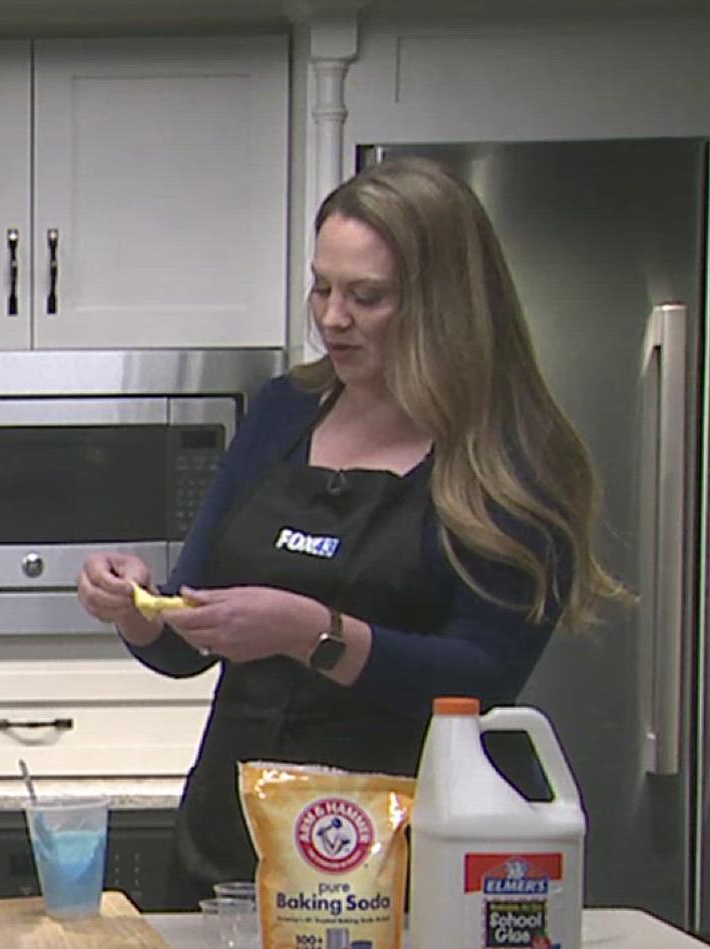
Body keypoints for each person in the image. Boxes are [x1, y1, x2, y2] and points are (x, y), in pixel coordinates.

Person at [76, 157, 625, 909]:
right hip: (233, 855)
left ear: (446, 305)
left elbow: (482, 678)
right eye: (322, 287)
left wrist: (314, 633)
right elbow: (184, 641)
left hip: (405, 868)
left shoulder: (513, 463)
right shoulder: (282, 412)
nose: (333, 317)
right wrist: (137, 609)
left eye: (367, 297)